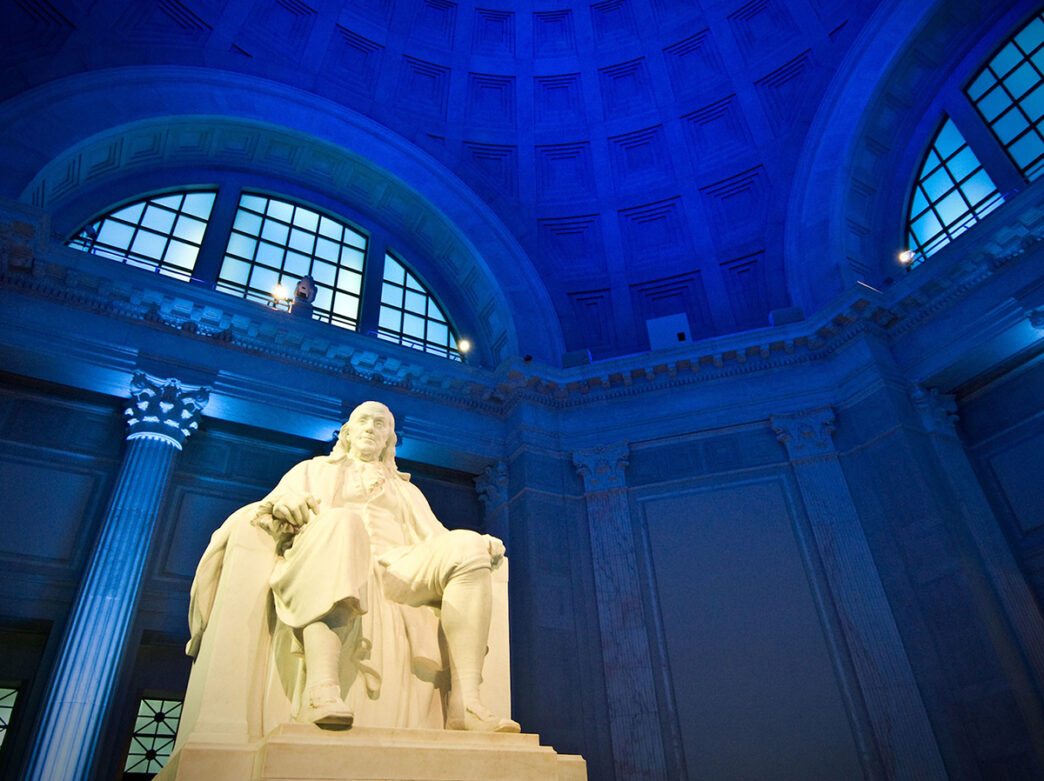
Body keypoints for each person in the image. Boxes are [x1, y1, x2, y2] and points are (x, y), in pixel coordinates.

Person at [250, 400, 519, 732]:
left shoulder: (405, 489)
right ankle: (322, 689)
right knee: (343, 523)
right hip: (335, 554)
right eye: (363, 421)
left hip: (397, 564)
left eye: (380, 424)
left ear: (389, 439)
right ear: (347, 432)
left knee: (466, 544)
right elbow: (269, 509)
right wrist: (283, 504)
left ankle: (466, 704)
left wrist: (477, 545)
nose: (370, 429)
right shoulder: (312, 471)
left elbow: (435, 535)